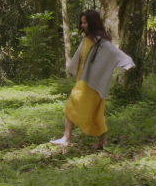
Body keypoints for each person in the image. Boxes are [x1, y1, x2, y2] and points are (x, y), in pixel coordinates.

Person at [50, 9, 134, 149]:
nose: (82, 25)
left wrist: (127, 62)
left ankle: (68, 138)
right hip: (83, 80)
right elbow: (80, 57)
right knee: (83, 109)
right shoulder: (87, 39)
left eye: (85, 23)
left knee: (84, 108)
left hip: (92, 83)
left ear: (92, 23)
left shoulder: (101, 42)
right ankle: (94, 139)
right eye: (82, 23)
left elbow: (115, 52)